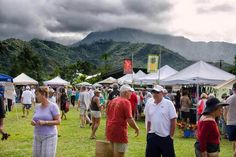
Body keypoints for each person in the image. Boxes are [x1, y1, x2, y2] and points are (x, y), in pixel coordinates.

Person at [106, 84, 139, 157]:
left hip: (110, 129)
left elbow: (108, 115)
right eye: (130, 91)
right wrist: (137, 128)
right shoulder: (126, 102)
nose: (132, 93)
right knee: (119, 154)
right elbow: (130, 119)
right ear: (126, 92)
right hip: (119, 131)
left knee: (113, 153)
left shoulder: (113, 100)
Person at [145, 85, 177, 157]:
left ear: (162, 93)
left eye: (157, 92)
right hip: (152, 135)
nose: (155, 94)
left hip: (165, 136)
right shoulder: (150, 104)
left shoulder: (168, 103)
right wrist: (148, 134)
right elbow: (149, 121)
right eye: (153, 92)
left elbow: (173, 120)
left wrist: (171, 135)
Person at [31, 86, 61, 157]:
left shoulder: (53, 106)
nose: (36, 96)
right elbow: (34, 118)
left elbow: (58, 121)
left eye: (37, 94)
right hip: (37, 136)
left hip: (49, 136)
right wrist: (32, 122)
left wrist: (45, 122)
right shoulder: (37, 106)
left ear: (44, 94)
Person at [225, 83, 236, 157]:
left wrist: (226, 122)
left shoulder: (228, 99)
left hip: (230, 123)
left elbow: (224, 112)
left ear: (233, 89)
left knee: (234, 142)